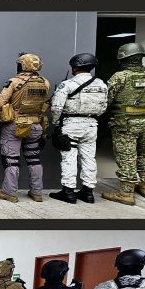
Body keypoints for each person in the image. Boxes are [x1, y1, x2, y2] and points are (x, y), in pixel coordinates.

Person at [102, 44, 145, 206]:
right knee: (144, 155)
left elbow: (107, 100)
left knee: (127, 157)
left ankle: (125, 193)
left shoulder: (120, 76)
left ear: (122, 58)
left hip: (126, 124)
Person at [49, 53, 108, 204]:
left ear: (74, 67)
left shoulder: (68, 84)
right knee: (89, 158)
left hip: (72, 124)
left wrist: (56, 123)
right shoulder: (101, 84)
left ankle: (68, 192)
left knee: (69, 157)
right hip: (91, 125)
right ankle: (88, 193)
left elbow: (56, 107)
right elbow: (103, 108)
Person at [0, 53, 51, 203]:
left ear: (23, 65)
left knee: (11, 160)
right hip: (36, 125)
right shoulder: (45, 82)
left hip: (15, 126)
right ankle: (37, 193)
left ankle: (9, 193)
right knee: (34, 159)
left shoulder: (14, 82)